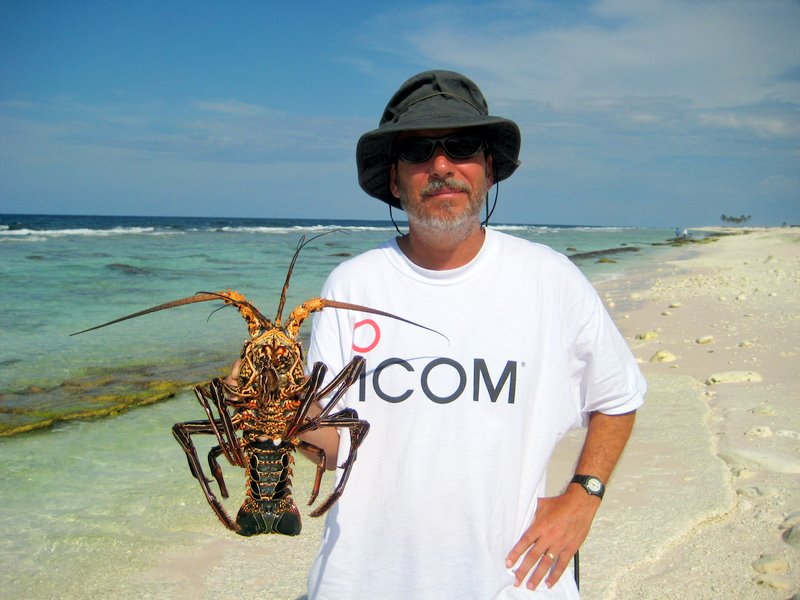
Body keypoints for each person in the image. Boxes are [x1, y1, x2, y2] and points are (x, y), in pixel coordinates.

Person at [300, 70, 646, 599]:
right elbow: (332, 449)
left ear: (488, 168)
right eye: (418, 152)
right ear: (395, 180)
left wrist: (583, 497)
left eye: (461, 147)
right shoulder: (351, 286)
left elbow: (618, 398)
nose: (441, 166)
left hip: (513, 579)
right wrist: (277, 416)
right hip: (363, 581)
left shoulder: (548, 279)